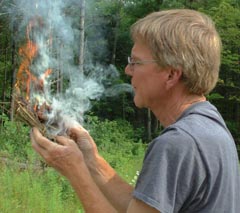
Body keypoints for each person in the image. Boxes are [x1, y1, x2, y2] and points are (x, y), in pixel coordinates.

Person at [30, 9, 240, 212]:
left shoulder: (178, 143)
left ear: (171, 75)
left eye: (136, 62)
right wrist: (90, 159)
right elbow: (139, 207)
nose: (128, 70)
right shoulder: (210, 126)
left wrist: (75, 171)